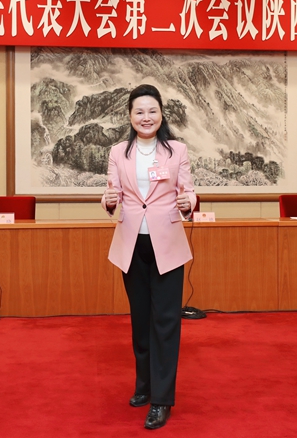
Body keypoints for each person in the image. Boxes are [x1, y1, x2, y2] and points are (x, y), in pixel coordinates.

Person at [102, 84, 195, 430]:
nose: (146, 117)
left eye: (152, 111)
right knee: (141, 321)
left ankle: (162, 400)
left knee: (165, 322)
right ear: (130, 116)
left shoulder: (177, 151)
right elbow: (111, 192)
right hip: (132, 245)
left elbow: (188, 191)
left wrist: (189, 203)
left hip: (167, 245)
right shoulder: (118, 152)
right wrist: (108, 200)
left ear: (161, 114)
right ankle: (144, 385)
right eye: (139, 111)